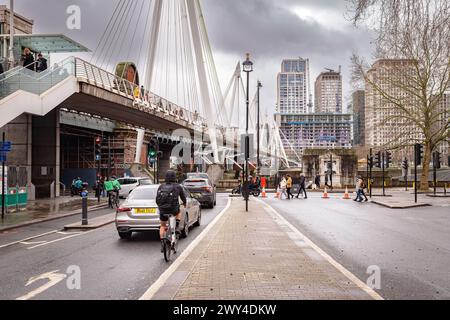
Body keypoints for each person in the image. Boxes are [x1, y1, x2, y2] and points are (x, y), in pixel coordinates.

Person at [156, 170, 187, 252]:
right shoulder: (178, 186)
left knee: (162, 226)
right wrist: (184, 203)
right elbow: (183, 197)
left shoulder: (161, 186)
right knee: (179, 212)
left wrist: (160, 207)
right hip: (173, 209)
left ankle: (162, 241)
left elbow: (157, 199)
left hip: (162, 210)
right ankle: (176, 226)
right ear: (174, 177)